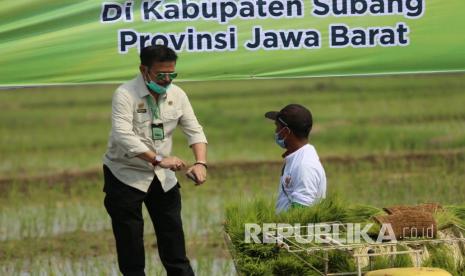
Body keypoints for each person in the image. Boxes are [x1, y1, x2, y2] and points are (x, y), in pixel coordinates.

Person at [102, 45, 208, 276]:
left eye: (172, 74)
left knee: (174, 245)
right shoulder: (125, 94)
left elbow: (194, 130)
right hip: (125, 176)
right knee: (131, 249)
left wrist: (200, 163)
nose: (167, 79)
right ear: (144, 69)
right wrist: (159, 159)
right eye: (161, 74)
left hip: (163, 177)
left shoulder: (177, 94)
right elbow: (123, 136)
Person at [265, 104, 326, 213]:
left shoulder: (305, 165)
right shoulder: (297, 158)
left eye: (277, 127)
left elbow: (300, 213)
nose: (276, 131)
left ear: (286, 131)